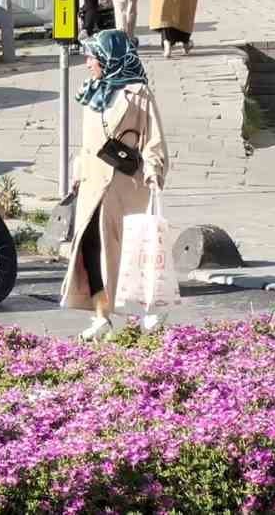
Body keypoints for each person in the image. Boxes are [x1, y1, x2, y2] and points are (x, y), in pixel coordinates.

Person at [62, 29, 169, 341]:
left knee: (133, 249)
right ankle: (101, 315)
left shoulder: (138, 93)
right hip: (93, 184)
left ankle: (149, 309)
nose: (87, 62)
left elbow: (153, 137)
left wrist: (154, 169)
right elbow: (86, 141)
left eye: (92, 57)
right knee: (91, 249)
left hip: (127, 184)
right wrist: (77, 171)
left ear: (110, 58)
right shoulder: (91, 92)